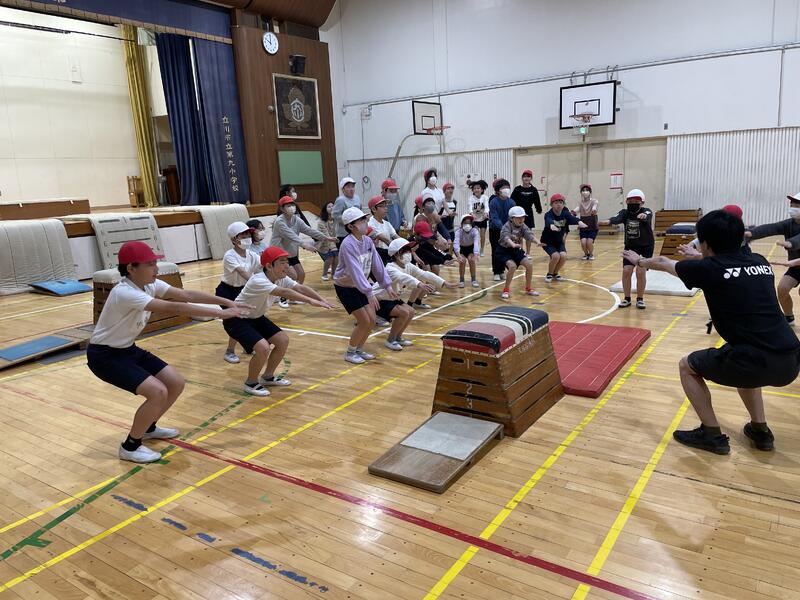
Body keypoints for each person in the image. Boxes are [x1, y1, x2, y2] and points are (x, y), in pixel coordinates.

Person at [623, 210, 800, 455]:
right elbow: (730, 265)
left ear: (706, 244)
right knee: (743, 366)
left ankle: (711, 434)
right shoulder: (760, 262)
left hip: (755, 360)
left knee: (687, 366)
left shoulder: (707, 269)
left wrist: (639, 261)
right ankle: (760, 430)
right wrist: (699, 257)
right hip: (790, 358)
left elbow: (663, 262)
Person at [87, 241, 251, 463]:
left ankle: (148, 427)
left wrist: (227, 302)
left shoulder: (150, 284)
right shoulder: (124, 292)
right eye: (149, 264)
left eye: (155, 263)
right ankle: (130, 447)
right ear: (131, 268)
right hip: (104, 356)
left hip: (127, 349)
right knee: (157, 392)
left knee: (175, 382)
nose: (155, 268)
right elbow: (175, 307)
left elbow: (186, 295)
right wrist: (222, 314)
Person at [225, 246, 335, 397]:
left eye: (287, 262)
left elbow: (300, 288)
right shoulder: (258, 280)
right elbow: (284, 292)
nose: (287, 265)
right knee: (263, 348)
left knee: (282, 340)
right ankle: (251, 382)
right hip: (236, 319)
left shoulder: (281, 278)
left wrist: (322, 299)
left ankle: (268, 376)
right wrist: (310, 301)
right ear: (269, 266)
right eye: (282, 262)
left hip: (256, 317)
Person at [334, 207, 399, 364]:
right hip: (346, 287)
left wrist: (387, 285)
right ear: (351, 226)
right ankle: (350, 353)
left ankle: (359, 349)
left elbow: (377, 265)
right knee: (364, 320)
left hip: (360, 285)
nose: (365, 222)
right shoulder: (348, 244)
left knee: (371, 320)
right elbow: (355, 271)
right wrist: (369, 293)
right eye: (361, 220)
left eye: (365, 219)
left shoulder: (368, 241)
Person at [745, 192, 800, 324]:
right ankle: (789, 317)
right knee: (782, 289)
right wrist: (752, 233)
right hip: (796, 267)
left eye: (797, 206)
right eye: (792, 205)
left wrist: (791, 243)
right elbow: (772, 228)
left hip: (795, 262)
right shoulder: (789, 223)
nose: (793, 208)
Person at [599, 189, 654, 309]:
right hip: (630, 247)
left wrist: (644, 216)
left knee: (640, 271)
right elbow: (617, 218)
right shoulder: (625, 212)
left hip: (646, 247)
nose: (633, 204)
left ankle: (640, 299)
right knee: (626, 271)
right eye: (630, 201)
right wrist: (608, 221)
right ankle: (627, 298)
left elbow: (648, 215)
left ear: (642, 203)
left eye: (636, 202)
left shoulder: (647, 211)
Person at [218, 221, 262, 364]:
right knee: (236, 321)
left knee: (248, 318)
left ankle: (247, 346)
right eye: (243, 236)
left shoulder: (252, 255)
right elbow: (243, 273)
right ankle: (229, 351)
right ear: (234, 239)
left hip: (243, 289)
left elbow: (263, 266)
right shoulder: (229, 256)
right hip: (227, 291)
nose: (247, 238)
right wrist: (260, 285)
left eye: (248, 235)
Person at [270, 195, 336, 288]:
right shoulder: (279, 222)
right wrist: (305, 245)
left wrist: (326, 238)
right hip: (279, 254)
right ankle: (286, 294)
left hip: (291, 253)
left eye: (292, 205)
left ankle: (294, 294)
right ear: (282, 209)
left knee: (301, 275)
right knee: (293, 276)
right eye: (288, 206)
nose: (291, 207)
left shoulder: (296, 219)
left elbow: (309, 230)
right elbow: (292, 236)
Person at [497, 205, 543, 299]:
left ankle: (528, 288)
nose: (521, 219)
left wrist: (537, 242)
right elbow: (506, 238)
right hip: (504, 250)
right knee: (512, 266)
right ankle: (506, 290)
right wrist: (513, 244)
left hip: (516, 249)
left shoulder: (523, 226)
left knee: (529, 264)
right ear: (511, 218)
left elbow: (529, 235)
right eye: (518, 217)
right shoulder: (506, 226)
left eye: (523, 217)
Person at [541, 194, 587, 282]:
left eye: (560, 202)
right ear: (551, 205)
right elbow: (548, 220)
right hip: (547, 242)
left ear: (563, 204)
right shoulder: (548, 214)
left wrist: (579, 222)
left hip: (558, 241)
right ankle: (549, 274)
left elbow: (572, 218)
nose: (558, 205)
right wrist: (551, 225)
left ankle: (555, 273)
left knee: (563, 256)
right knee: (555, 256)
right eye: (556, 203)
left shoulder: (565, 213)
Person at [488, 178, 516, 282]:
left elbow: (513, 217)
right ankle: (496, 271)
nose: (506, 189)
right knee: (496, 251)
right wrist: (503, 228)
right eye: (504, 187)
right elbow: (494, 218)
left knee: (505, 251)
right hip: (495, 230)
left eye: (508, 187)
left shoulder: (511, 202)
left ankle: (502, 271)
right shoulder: (493, 202)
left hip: (507, 230)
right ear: (498, 190)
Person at [511, 169, 542, 253]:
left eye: (528, 177)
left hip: (528, 213)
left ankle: (528, 253)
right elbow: (512, 201)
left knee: (528, 234)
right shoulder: (517, 189)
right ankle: (520, 252)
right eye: (524, 176)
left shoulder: (533, 190)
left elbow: (537, 201)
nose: (526, 178)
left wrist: (539, 209)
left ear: (531, 178)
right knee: (519, 234)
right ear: (522, 178)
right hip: (518, 214)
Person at [368, 195, 399, 264]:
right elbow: (386, 240)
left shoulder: (387, 223)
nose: (386, 208)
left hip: (389, 253)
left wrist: (406, 245)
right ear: (374, 209)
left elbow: (396, 237)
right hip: (379, 256)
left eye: (386, 206)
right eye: (382, 206)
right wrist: (400, 249)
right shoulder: (370, 224)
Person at [332, 177, 362, 244]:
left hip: (356, 231)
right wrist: (348, 221)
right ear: (343, 189)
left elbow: (360, 211)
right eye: (348, 187)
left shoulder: (357, 198)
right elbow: (335, 215)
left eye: (353, 187)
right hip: (344, 233)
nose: (351, 189)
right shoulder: (340, 200)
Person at [573, 184, 599, 260]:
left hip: (592, 226)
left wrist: (594, 210)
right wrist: (572, 212)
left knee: (589, 242)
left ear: (590, 192)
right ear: (581, 192)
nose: (585, 192)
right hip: (583, 226)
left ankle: (591, 254)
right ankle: (586, 254)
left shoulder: (594, 201)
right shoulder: (580, 203)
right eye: (583, 190)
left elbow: (595, 207)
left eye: (587, 190)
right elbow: (577, 210)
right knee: (583, 242)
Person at [454, 214, 480, 288]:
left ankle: (473, 280)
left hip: (470, 248)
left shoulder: (475, 231)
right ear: (462, 224)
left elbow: (476, 243)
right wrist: (458, 255)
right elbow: (456, 243)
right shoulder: (458, 232)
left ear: (471, 224)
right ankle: (461, 280)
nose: (467, 225)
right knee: (463, 261)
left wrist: (475, 254)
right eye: (465, 223)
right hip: (461, 249)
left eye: (469, 223)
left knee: (471, 260)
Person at [316, 202, 339, 281]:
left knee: (337, 257)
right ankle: (324, 274)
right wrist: (334, 241)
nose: (331, 208)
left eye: (333, 206)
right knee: (330, 258)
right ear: (325, 209)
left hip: (334, 242)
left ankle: (334, 274)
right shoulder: (321, 222)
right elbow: (326, 235)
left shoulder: (336, 220)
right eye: (329, 207)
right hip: (323, 243)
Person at [469, 179, 490, 256]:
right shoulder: (471, 198)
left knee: (482, 235)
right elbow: (470, 207)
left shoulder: (485, 197)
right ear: (473, 190)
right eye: (474, 188)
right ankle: (476, 249)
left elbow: (487, 206)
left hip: (483, 219)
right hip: (475, 220)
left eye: (478, 188)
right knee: (476, 235)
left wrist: (486, 213)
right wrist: (471, 213)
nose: (476, 190)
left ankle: (482, 249)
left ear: (482, 190)